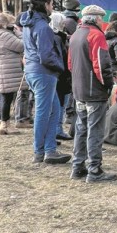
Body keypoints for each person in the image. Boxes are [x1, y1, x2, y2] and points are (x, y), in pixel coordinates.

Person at [19, 0, 70, 165]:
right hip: (43, 73)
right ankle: (39, 151)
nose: (53, 7)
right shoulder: (43, 28)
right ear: (46, 5)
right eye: (51, 4)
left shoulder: (29, 24)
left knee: (54, 110)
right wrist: (61, 67)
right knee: (43, 113)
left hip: (34, 71)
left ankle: (49, 150)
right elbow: (46, 56)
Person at [69, 4, 117, 182]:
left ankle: (77, 166)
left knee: (81, 128)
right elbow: (102, 65)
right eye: (101, 19)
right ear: (97, 18)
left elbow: (70, 64)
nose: (103, 22)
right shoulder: (96, 35)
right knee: (95, 130)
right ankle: (94, 169)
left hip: (79, 88)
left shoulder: (75, 35)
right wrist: (108, 85)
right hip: (94, 91)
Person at [0, 12, 23, 136]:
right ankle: (5, 125)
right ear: (6, 24)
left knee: (5, 97)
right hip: (8, 70)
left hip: (2, 70)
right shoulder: (5, 35)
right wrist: (18, 32)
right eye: (12, 24)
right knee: (7, 98)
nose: (14, 26)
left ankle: (4, 124)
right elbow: (22, 45)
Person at [49, 11, 74, 142]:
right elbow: (61, 57)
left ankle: (57, 129)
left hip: (62, 75)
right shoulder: (57, 38)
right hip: (61, 76)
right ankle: (57, 130)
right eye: (63, 22)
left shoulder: (60, 37)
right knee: (59, 105)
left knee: (61, 104)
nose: (65, 24)